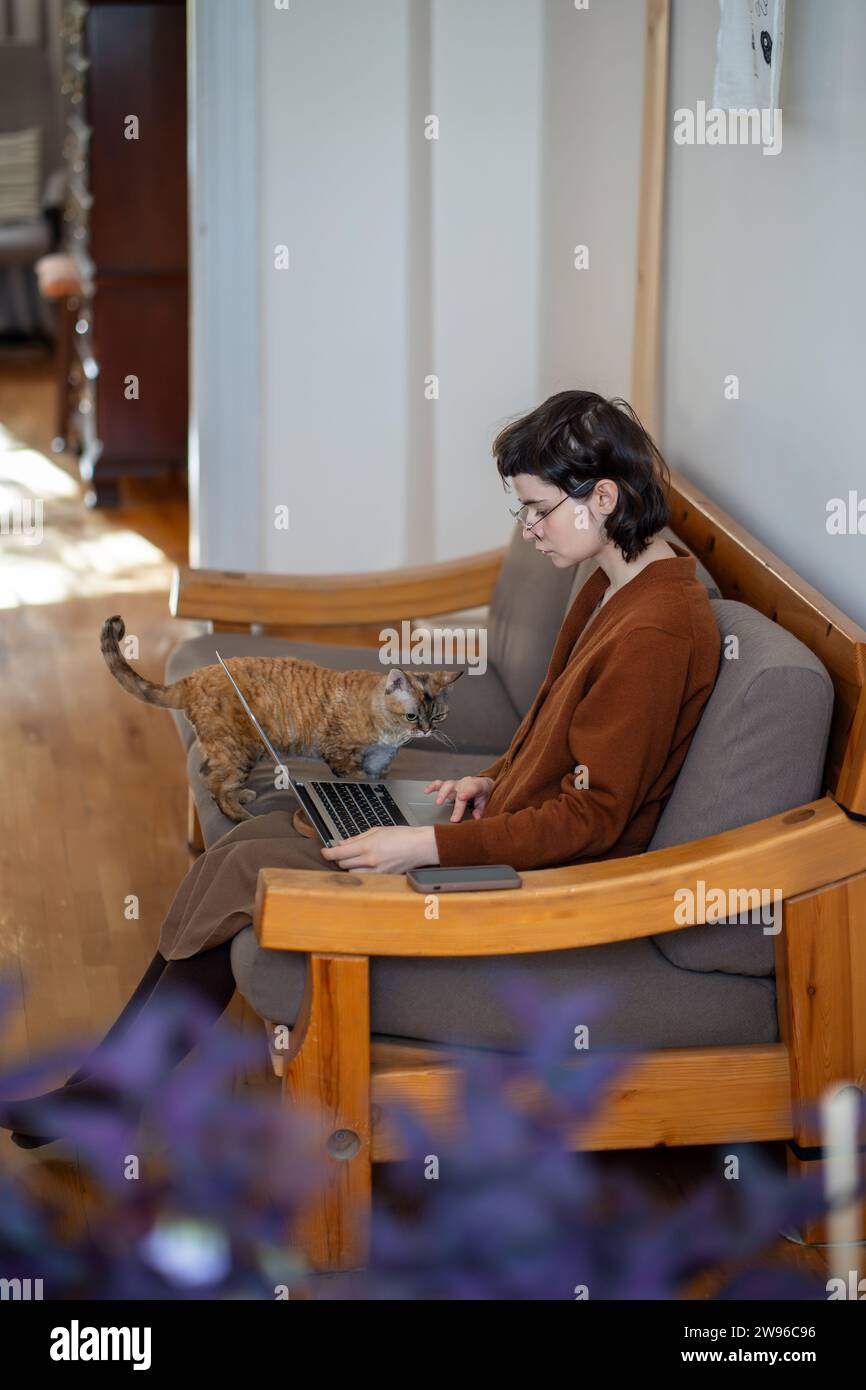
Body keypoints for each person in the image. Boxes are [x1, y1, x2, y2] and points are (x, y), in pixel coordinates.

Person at [1, 390, 722, 1147]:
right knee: (246, 845)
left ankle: (105, 1097)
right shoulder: (620, 577)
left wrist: (426, 848)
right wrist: (492, 779)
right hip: (501, 830)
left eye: (537, 510)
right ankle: (104, 1090)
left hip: (543, 889)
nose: (530, 531)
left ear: (603, 496)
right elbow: (555, 728)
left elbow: (596, 817)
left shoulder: (656, 629)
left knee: (256, 874)